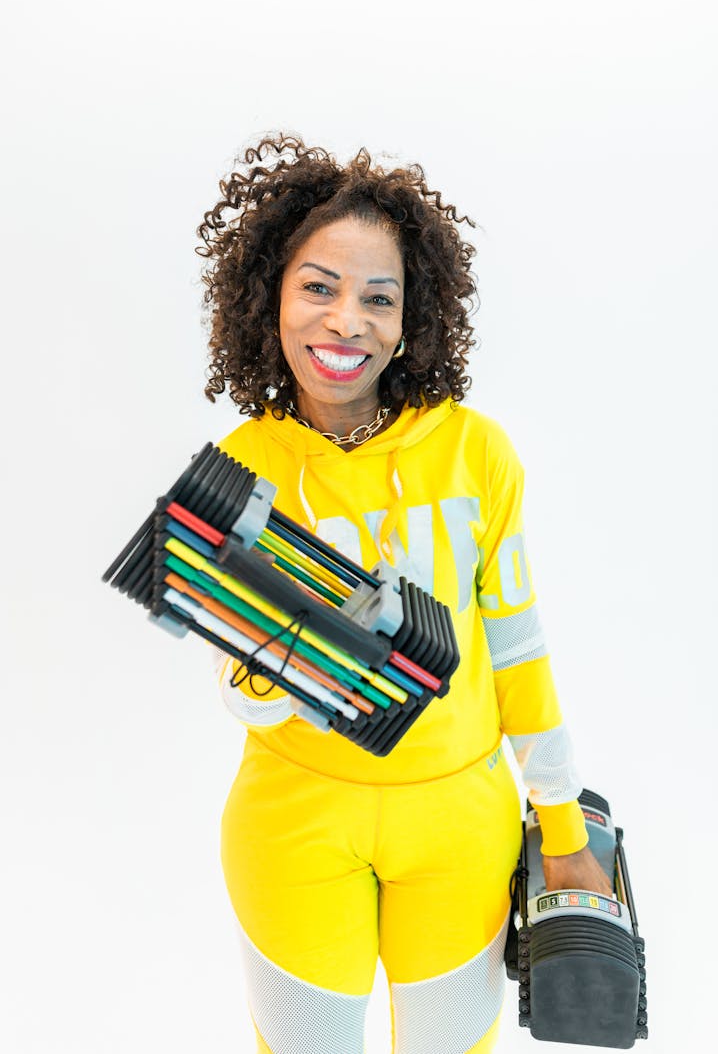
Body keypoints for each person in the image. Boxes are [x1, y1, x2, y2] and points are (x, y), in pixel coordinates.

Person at [196, 133, 611, 1054]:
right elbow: (236, 692)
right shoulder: (239, 471)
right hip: (293, 819)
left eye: (378, 298)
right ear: (269, 295)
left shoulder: (476, 455)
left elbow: (519, 648)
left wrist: (562, 816)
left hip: (459, 823)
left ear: (411, 318)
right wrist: (299, 654)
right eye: (318, 286)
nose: (346, 320)